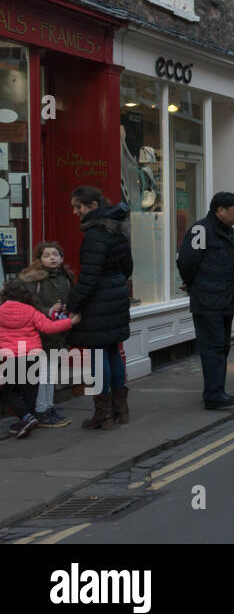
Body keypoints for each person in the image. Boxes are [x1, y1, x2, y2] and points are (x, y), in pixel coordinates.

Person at [64, 186, 133, 429]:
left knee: (97, 353)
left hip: (99, 301)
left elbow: (90, 277)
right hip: (116, 296)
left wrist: (73, 305)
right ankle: (120, 410)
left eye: (78, 206)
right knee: (112, 349)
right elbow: (128, 269)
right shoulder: (118, 230)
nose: (75, 211)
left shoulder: (95, 234)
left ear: (93, 206)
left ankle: (102, 414)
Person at [177, 192, 234, 410]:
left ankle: (217, 391)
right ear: (220, 210)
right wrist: (194, 284)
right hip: (208, 300)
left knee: (222, 347)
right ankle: (214, 395)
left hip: (225, 299)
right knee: (213, 347)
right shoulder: (201, 230)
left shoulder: (225, 231)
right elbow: (186, 263)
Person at [0, 280, 80, 438]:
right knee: (30, 391)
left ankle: (26, 418)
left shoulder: (0, 311)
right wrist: (70, 322)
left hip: (11, 356)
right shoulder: (31, 311)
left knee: (9, 391)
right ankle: (28, 420)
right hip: (32, 355)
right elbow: (49, 327)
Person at [20, 241, 76, 428]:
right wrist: (48, 310)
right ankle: (41, 409)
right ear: (39, 259)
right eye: (47, 255)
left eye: (55, 254)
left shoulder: (66, 277)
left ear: (61, 258)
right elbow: (28, 305)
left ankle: (49, 406)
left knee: (51, 371)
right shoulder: (32, 280)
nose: (52, 258)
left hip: (59, 332)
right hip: (40, 333)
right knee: (42, 372)